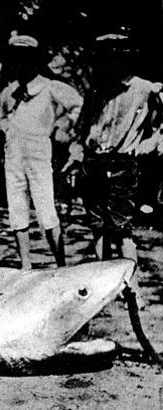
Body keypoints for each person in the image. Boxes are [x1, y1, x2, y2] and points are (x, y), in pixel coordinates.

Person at [63, 32, 163, 305]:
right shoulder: (98, 88)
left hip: (122, 163)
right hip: (94, 161)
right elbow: (84, 127)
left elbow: (158, 126)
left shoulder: (146, 88)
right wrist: (76, 154)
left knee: (122, 230)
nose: (112, 59)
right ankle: (103, 290)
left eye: (118, 53)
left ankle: (133, 289)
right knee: (98, 227)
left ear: (127, 55)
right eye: (107, 54)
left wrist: (150, 144)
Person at [0, 34, 83, 270]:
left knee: (46, 209)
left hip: (39, 152)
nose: (20, 65)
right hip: (13, 154)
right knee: (17, 208)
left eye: (26, 59)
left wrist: (61, 128)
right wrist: (5, 130)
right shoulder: (10, 91)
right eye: (16, 59)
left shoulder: (50, 87)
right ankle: (25, 265)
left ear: (35, 61)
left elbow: (78, 107)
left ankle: (60, 264)